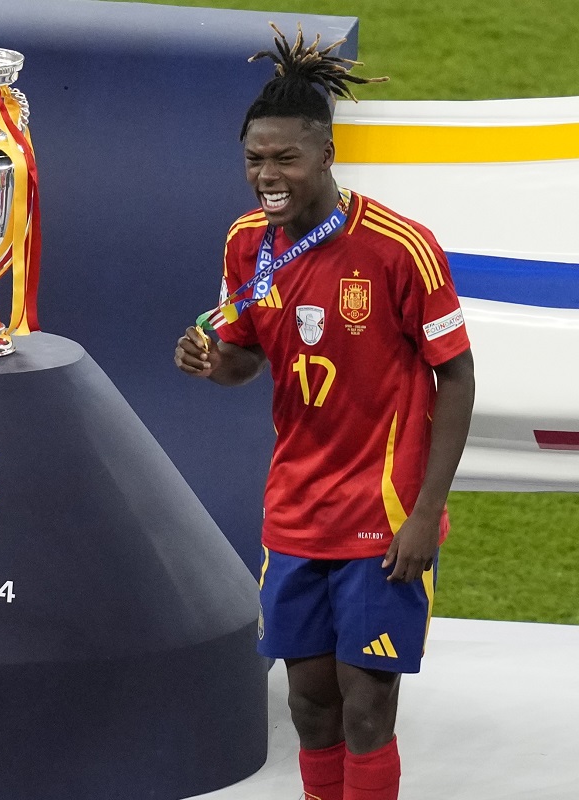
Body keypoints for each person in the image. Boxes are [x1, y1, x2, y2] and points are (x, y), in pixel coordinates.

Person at [175, 26, 475, 800]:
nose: (266, 175)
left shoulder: (399, 249)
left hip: (384, 516)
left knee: (368, 705)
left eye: (285, 158)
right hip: (297, 514)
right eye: (254, 159)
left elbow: (459, 375)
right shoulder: (247, 245)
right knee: (311, 704)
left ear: (326, 156)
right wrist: (215, 363)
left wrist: (425, 512)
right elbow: (245, 357)